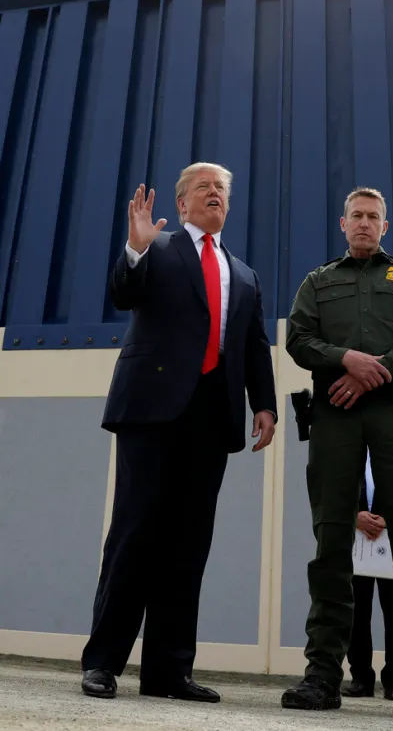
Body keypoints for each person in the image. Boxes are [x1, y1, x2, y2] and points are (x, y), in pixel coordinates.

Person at [80, 163, 277, 702]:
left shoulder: (245, 274)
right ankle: (103, 663)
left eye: (221, 189)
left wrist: (264, 404)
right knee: (135, 534)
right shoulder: (158, 248)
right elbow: (123, 295)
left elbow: (254, 345)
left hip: (212, 418)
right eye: (203, 188)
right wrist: (136, 249)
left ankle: (168, 671)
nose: (214, 194)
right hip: (153, 411)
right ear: (182, 203)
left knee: (188, 546)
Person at [281, 187, 393, 721]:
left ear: (385, 226)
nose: (364, 223)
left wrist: (371, 372)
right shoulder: (318, 281)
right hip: (335, 414)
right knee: (331, 542)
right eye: (356, 216)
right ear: (343, 224)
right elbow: (298, 339)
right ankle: (322, 676)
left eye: (373, 217)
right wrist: (346, 359)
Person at [343, 452, 393, 702]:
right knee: (356, 610)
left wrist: (390, 517)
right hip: (356, 541)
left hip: (392, 539)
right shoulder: (349, 449)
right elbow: (332, 489)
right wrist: (354, 515)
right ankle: (360, 678)